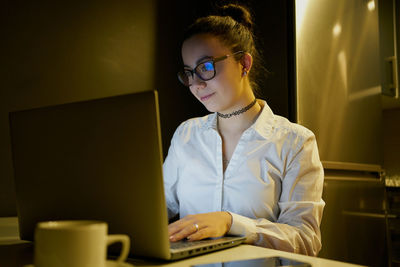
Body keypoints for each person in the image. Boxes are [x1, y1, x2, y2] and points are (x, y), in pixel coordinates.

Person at [163, 3, 325, 256]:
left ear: (244, 63)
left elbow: (306, 240)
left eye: (206, 67)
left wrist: (231, 222)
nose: (196, 84)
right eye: (189, 73)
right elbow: (158, 208)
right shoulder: (186, 135)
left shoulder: (295, 142)